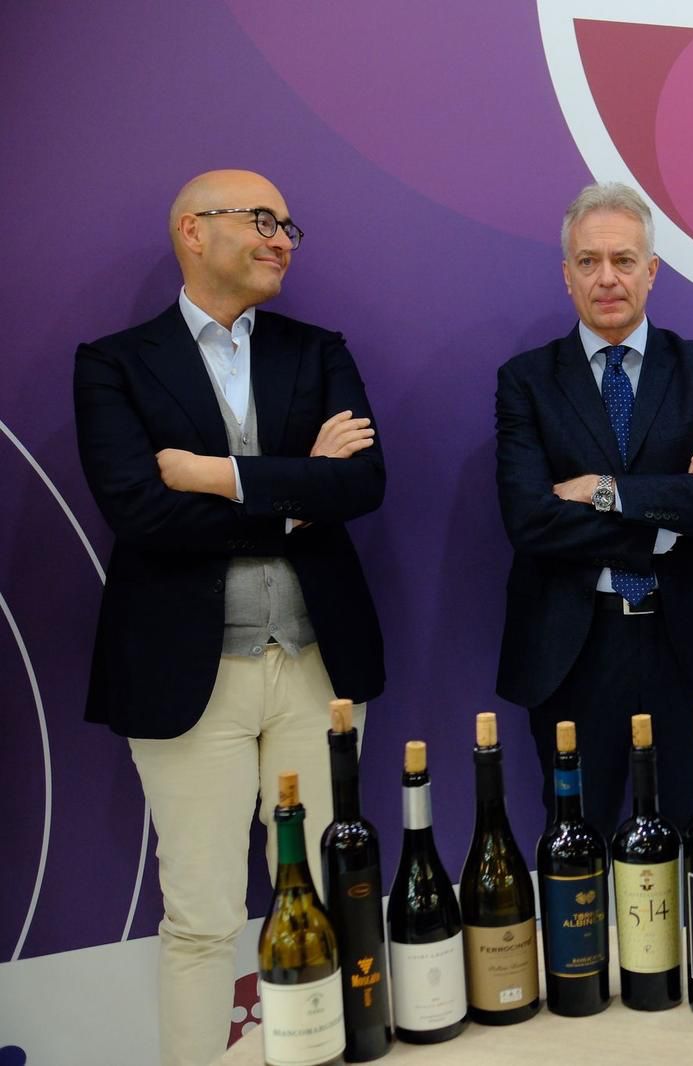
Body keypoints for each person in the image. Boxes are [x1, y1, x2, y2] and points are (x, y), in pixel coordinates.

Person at [73, 169, 386, 1066]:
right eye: (260, 221)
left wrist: (217, 475)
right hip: (185, 675)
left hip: (319, 666)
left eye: (287, 225)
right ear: (192, 231)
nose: (281, 239)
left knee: (330, 894)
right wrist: (295, 493)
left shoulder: (316, 351)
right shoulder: (115, 363)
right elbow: (140, 511)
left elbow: (360, 483)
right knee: (203, 915)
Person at [495, 181, 693, 834]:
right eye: (589, 262)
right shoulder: (526, 381)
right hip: (573, 649)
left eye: (623, 260)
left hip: (692, 642)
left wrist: (603, 490)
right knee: (577, 843)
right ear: (567, 275)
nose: (607, 278)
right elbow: (530, 519)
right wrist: (667, 522)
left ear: (652, 271)